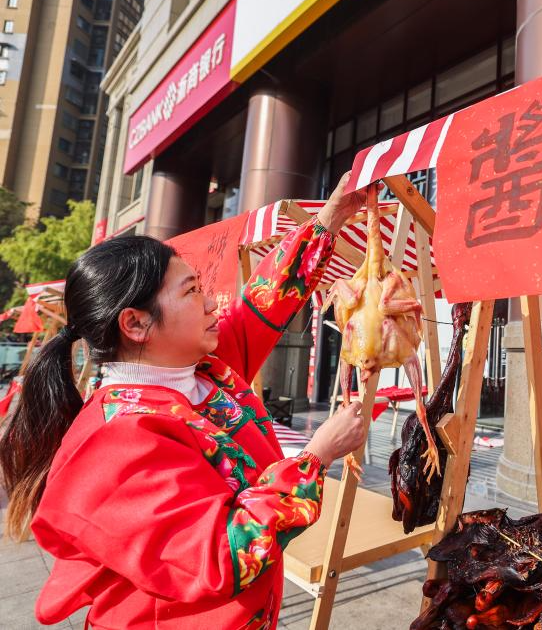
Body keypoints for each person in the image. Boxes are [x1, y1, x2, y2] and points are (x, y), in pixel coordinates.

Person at [0, 175, 368, 628]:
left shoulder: (201, 371)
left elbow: (261, 305)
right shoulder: (117, 441)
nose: (213, 302)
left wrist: (329, 221)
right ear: (135, 324)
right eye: (192, 291)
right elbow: (224, 556)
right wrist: (316, 456)